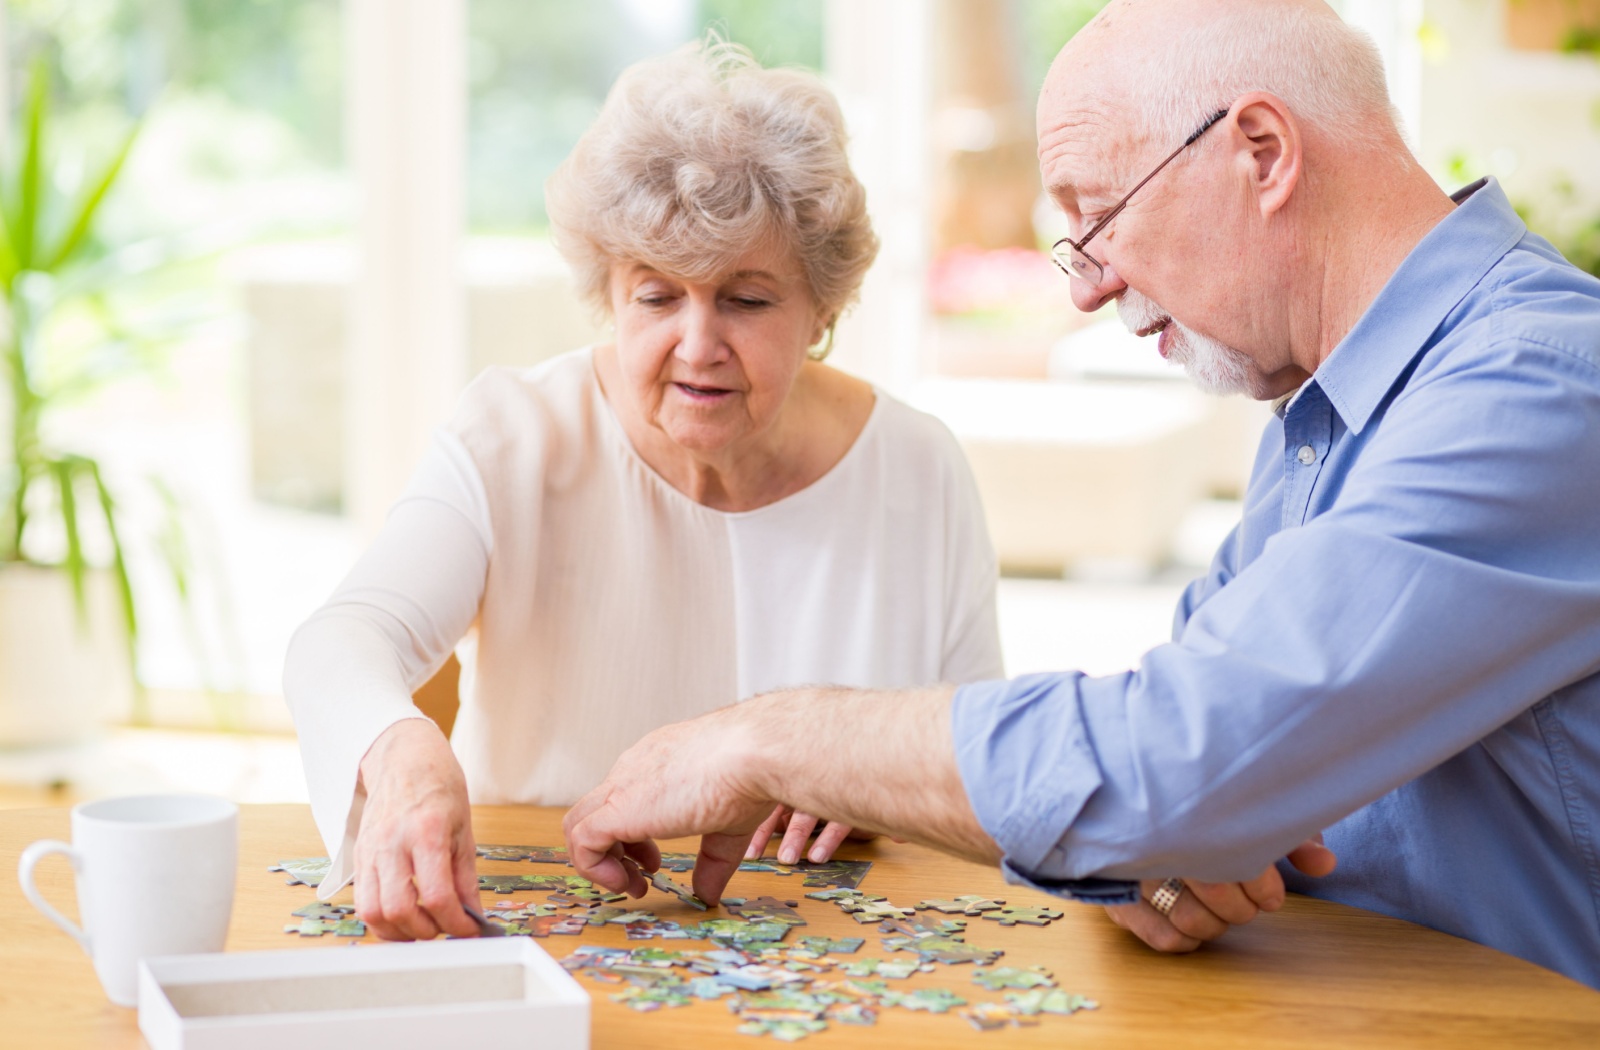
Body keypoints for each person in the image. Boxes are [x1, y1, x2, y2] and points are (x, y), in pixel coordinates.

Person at [564, 0, 1600, 990]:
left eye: (1097, 213)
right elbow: (1180, 793)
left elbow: (1170, 757)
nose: (1085, 285)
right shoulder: (1327, 410)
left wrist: (766, 740)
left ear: (1263, 153)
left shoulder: (1543, 386)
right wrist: (1154, 854)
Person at [283, 37, 1003, 942]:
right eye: (657, 297)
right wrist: (400, 753)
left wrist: (880, 779)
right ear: (607, 293)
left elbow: (989, 763)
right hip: (557, 933)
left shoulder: (918, 468)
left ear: (822, 304)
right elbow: (340, 642)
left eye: (746, 300)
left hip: (840, 947)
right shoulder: (513, 435)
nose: (698, 344)